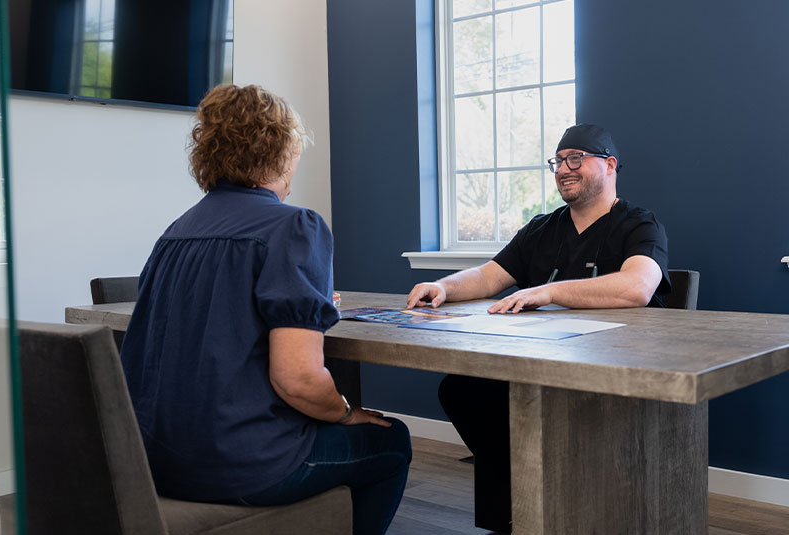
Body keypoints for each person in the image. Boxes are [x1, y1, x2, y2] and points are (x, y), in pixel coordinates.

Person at [120, 84, 411, 535]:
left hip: (151, 460)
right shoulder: (295, 225)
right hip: (240, 465)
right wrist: (346, 411)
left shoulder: (176, 232)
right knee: (392, 439)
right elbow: (297, 379)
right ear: (281, 149)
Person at [406, 123, 670, 533]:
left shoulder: (639, 224)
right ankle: (526, 503)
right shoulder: (541, 228)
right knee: (462, 389)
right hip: (537, 361)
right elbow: (489, 275)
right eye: (559, 161)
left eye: (576, 158)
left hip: (613, 370)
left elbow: (637, 287)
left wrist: (548, 292)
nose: (564, 168)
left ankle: (563, 502)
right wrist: (442, 286)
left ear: (610, 164)